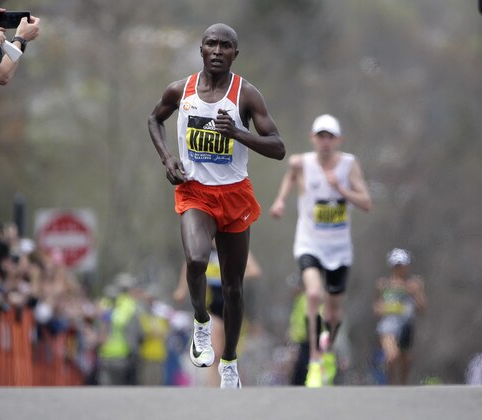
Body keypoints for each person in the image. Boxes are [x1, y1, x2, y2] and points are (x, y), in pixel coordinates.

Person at [148, 23, 285, 388]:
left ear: (235, 54)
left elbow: (278, 146)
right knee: (195, 259)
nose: (218, 50)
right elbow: (154, 119)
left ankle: (229, 362)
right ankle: (201, 322)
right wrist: (167, 159)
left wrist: (238, 132)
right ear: (201, 48)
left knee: (233, 288)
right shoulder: (181, 91)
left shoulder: (246, 95)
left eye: (226, 45)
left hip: (234, 195)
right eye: (211, 43)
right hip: (195, 192)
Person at [269, 113, 372, 387]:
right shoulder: (301, 163)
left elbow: (366, 202)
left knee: (334, 314)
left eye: (330, 137)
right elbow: (290, 178)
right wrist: (280, 202)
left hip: (338, 248)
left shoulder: (349, 166)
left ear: (338, 140)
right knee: (314, 294)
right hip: (310, 242)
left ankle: (327, 345)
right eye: (320, 136)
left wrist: (341, 189)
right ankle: (315, 360)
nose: (325, 142)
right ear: (313, 139)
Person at [173, 241, 262, 386]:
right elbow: (189, 265)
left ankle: (237, 386)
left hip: (232, 309)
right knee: (216, 353)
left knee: (231, 354)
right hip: (213, 309)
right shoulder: (203, 250)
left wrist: (232, 274)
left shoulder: (234, 246)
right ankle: (214, 389)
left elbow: (255, 270)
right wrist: (181, 289)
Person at [373, 248, 426, 385]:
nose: (399, 268)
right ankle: (390, 383)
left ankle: (403, 388)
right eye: (396, 265)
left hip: (406, 325)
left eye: (402, 265)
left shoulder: (414, 284)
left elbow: (422, 308)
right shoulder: (384, 285)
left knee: (405, 361)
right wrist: (383, 309)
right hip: (388, 325)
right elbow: (377, 308)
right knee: (392, 356)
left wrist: (414, 294)